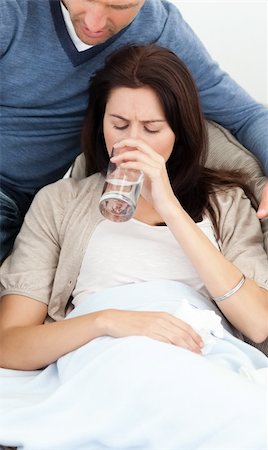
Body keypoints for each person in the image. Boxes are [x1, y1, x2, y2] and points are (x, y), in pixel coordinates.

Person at [0, 44, 267, 450]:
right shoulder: (60, 201)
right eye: (119, 124)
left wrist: (171, 208)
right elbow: (9, 343)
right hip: (106, 356)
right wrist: (109, 321)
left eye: (152, 129)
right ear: (99, 123)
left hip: (199, 354)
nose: (131, 142)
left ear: (181, 130)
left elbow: (259, 322)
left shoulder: (225, 201)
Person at [1, 0, 268, 264]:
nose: (94, 23)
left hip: (14, 203)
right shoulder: (11, 11)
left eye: (118, 7)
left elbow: (247, 115)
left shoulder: (158, 28)